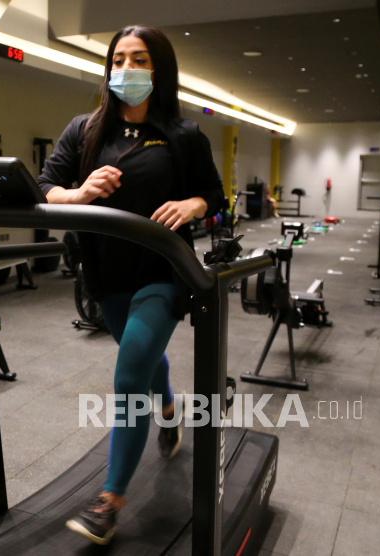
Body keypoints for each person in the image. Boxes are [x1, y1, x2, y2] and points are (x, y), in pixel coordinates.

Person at [36, 25, 223, 545]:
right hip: (104, 274)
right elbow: (44, 186)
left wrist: (194, 205)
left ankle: (109, 501)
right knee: (140, 360)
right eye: (119, 58)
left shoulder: (183, 135)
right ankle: (168, 409)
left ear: (157, 69)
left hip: (162, 274)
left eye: (139, 60)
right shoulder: (85, 130)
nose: (127, 69)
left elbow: (215, 193)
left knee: (127, 376)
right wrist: (79, 193)